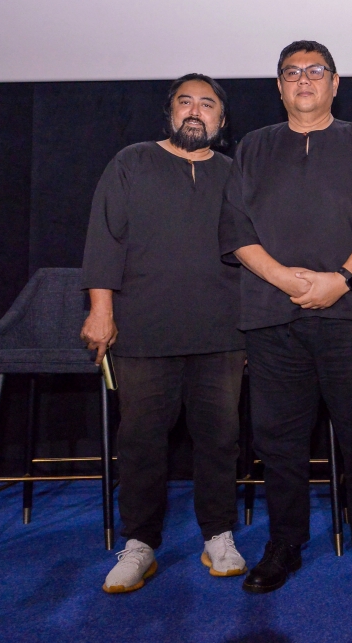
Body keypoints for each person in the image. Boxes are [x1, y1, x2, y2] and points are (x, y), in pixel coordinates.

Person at [219, 40, 352, 594]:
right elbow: (235, 227)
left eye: (315, 70)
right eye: (292, 72)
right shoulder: (253, 146)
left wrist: (339, 280)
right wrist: (286, 280)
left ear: (335, 83)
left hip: (351, 316)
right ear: (279, 86)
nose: (304, 79)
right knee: (278, 443)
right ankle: (284, 544)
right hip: (272, 318)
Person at [81, 73, 247, 593]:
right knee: (141, 441)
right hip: (143, 330)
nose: (195, 111)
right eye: (185, 102)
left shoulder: (235, 172)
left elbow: (255, 249)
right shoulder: (131, 162)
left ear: (222, 119)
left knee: (220, 439)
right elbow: (105, 238)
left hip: (222, 331)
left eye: (207, 104)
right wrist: (100, 311)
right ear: (170, 112)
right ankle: (139, 544)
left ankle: (218, 535)